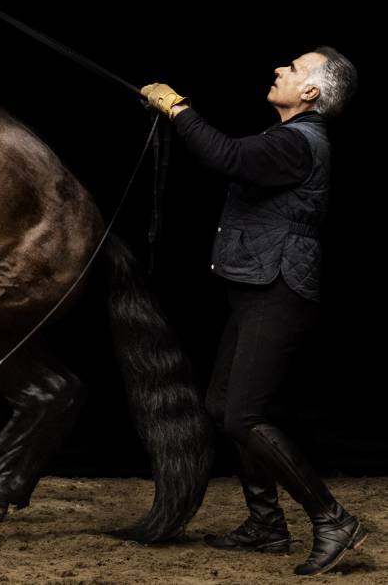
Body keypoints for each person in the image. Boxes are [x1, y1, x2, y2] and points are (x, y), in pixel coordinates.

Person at [141, 45, 364, 576]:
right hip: (256, 286)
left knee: (243, 415)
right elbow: (235, 157)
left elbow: (226, 157)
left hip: (277, 289)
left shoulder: (297, 142)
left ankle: (332, 519)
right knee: (222, 408)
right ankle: (267, 525)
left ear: (310, 91)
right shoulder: (285, 138)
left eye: (292, 68)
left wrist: (178, 108)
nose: (278, 70)